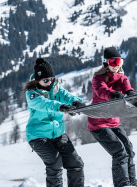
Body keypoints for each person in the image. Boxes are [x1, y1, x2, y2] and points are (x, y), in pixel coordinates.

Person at [24, 58, 86, 187]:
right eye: (45, 80)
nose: (49, 82)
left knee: (76, 163)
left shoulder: (56, 88)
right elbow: (43, 103)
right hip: (38, 136)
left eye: (51, 79)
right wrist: (60, 106)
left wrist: (75, 102)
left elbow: (67, 96)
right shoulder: (32, 94)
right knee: (55, 164)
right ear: (37, 80)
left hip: (58, 134)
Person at [88, 47, 137, 187]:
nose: (116, 65)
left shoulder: (122, 78)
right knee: (119, 151)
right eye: (113, 62)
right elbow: (101, 91)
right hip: (98, 123)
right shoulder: (98, 78)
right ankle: (122, 184)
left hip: (113, 121)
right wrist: (113, 94)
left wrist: (132, 95)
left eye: (119, 62)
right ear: (106, 63)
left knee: (128, 149)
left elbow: (127, 89)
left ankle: (132, 183)